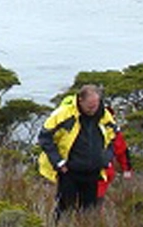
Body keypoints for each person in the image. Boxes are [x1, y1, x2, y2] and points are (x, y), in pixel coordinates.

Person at [38, 85, 131, 217]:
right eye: (90, 106)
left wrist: (106, 159)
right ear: (80, 100)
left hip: (93, 172)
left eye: (96, 105)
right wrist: (58, 162)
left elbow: (114, 138)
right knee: (64, 210)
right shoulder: (64, 114)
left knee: (89, 212)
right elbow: (45, 137)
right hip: (69, 171)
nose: (93, 110)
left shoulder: (104, 115)